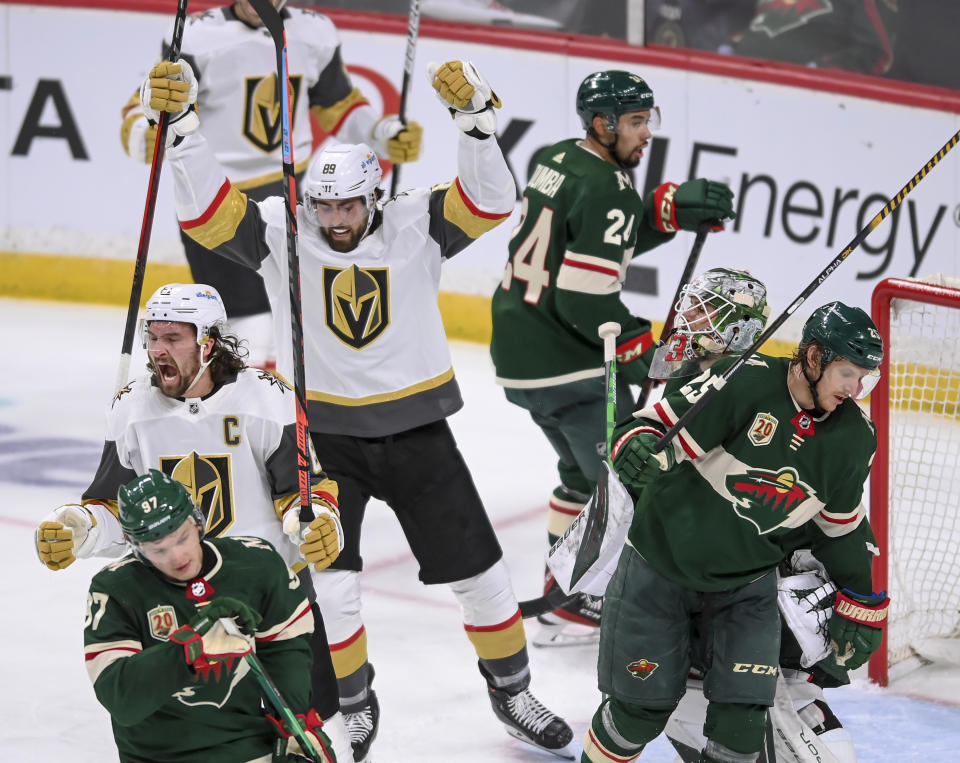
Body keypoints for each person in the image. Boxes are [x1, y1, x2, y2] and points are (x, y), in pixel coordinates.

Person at [143, 57, 574, 760]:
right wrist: (184, 127)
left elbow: (494, 199)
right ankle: (353, 696)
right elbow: (207, 214)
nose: (336, 221)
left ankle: (512, 691)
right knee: (331, 587)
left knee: (482, 576)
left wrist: (474, 124)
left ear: (374, 196)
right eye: (325, 207)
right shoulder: (287, 229)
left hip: (417, 433)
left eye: (348, 207)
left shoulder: (418, 222)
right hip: (322, 439)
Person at [34, 283, 352, 761]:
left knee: (312, 724)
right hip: (178, 608)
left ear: (208, 343)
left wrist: (314, 523)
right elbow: (118, 509)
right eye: (153, 338)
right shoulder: (132, 408)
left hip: (271, 598)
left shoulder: (265, 398)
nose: (158, 350)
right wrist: (80, 524)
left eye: (173, 338)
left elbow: (303, 493)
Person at [488, 68, 737, 644]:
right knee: (630, 475)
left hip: (520, 352)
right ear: (602, 125)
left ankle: (566, 598)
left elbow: (595, 238)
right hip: (569, 361)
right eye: (634, 121)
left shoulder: (557, 158)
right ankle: (621, 600)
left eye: (648, 119)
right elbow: (584, 294)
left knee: (581, 474)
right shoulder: (607, 187)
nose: (645, 133)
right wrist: (639, 347)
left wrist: (662, 215)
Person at [581, 300, 890, 763]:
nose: (857, 386)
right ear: (813, 358)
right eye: (848, 371)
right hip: (660, 567)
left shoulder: (855, 438)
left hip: (747, 588)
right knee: (634, 716)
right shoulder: (742, 380)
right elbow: (651, 427)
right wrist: (636, 446)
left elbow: (841, 529)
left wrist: (863, 601)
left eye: (866, 375)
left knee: (742, 730)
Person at [120, 0, 423, 367]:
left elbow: (338, 104)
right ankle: (245, 411)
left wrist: (381, 133)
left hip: (292, 196)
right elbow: (148, 105)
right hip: (217, 197)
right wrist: (146, 130)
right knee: (247, 318)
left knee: (295, 316)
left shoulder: (314, 33)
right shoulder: (198, 37)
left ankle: (282, 411)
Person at [83, 469, 334, 763]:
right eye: (158, 549)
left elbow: (285, 648)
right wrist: (190, 650)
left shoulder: (255, 564)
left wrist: (295, 722)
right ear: (135, 546)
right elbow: (121, 698)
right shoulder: (115, 589)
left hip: (247, 748)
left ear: (197, 520)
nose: (177, 557)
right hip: (157, 756)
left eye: (182, 538)